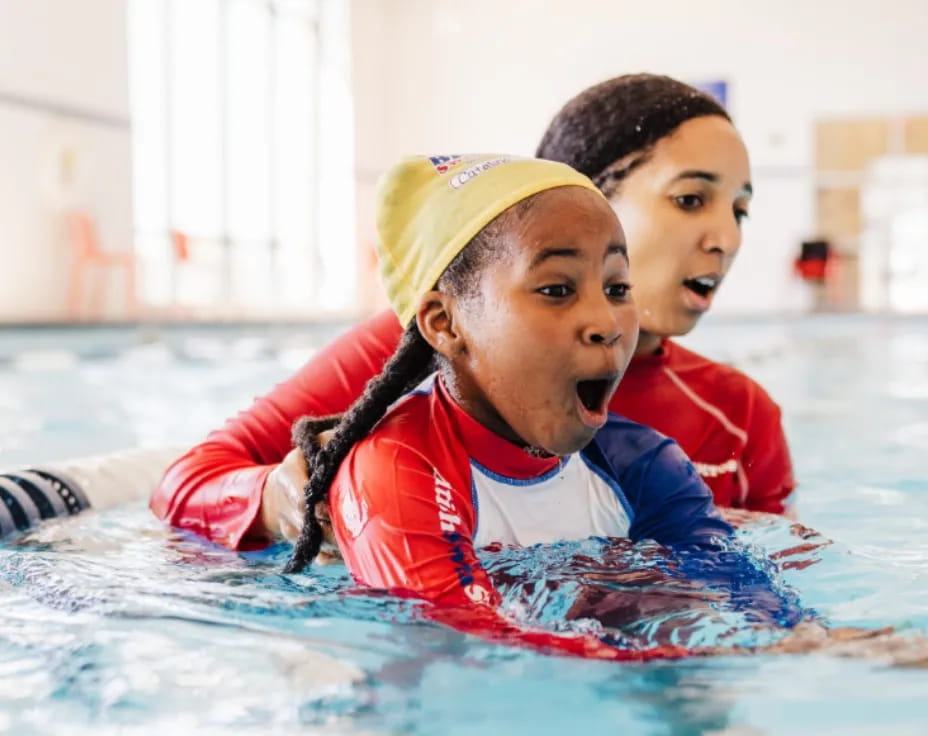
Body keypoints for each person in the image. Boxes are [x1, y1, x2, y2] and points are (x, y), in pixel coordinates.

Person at [151, 73, 795, 552]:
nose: (728, 238)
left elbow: (769, 584)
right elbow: (188, 482)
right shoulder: (422, 345)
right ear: (579, 201)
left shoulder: (742, 418)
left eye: (739, 209)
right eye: (690, 200)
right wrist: (280, 501)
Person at [282, 153, 735, 660]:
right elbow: (462, 641)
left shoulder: (643, 465)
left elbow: (738, 596)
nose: (606, 322)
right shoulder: (398, 466)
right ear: (445, 323)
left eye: (617, 288)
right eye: (557, 289)